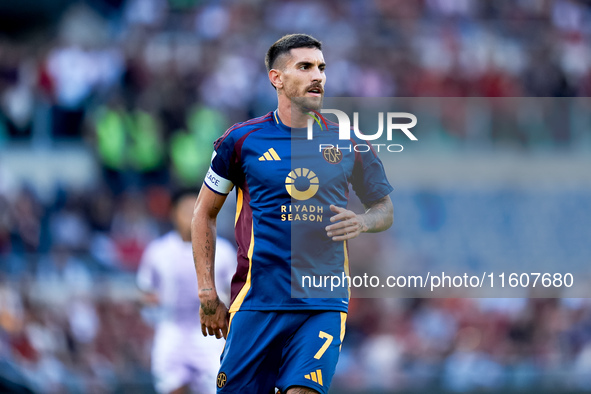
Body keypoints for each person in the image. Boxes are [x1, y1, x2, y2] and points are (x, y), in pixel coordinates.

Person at [191, 34, 394, 394]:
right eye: (305, 67)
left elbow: (384, 209)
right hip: (257, 301)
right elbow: (203, 214)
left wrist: (362, 221)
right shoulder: (241, 141)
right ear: (277, 78)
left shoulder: (349, 140)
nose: (318, 76)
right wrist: (208, 292)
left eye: (321, 68)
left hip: (322, 302)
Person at [137, 188, 236, 394]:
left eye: (197, 209)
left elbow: (236, 290)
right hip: (171, 333)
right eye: (187, 210)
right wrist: (153, 304)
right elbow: (145, 291)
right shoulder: (158, 252)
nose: (193, 216)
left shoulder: (224, 251)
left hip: (211, 338)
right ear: (173, 213)